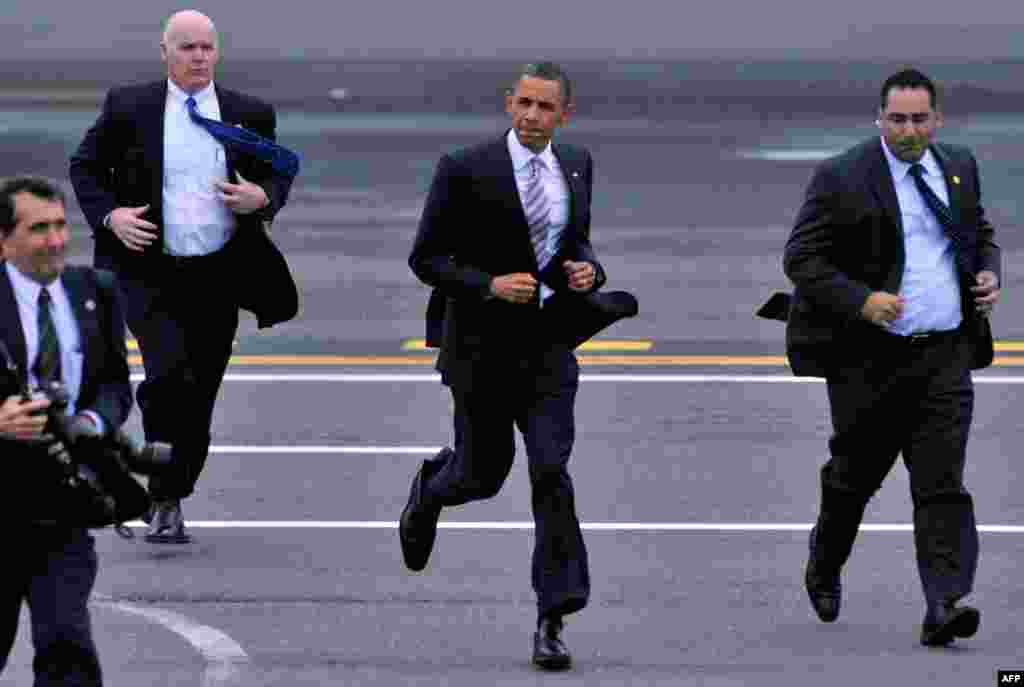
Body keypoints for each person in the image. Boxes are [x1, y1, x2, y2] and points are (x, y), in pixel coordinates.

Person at [401, 61, 637, 670]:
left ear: (564, 114)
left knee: (551, 473)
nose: (534, 116)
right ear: (510, 104)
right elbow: (426, 257)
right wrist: (487, 284)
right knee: (481, 476)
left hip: (548, 347)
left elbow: (573, 242)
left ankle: (553, 616)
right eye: (525, 104)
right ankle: (429, 490)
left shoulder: (577, 164)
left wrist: (590, 271)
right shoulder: (464, 168)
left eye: (546, 108)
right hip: (479, 350)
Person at [782, 68, 1000, 647]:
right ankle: (825, 562)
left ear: (937, 119)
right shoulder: (842, 176)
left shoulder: (958, 165)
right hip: (869, 361)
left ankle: (944, 603)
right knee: (854, 478)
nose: (909, 130)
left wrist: (987, 272)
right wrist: (861, 300)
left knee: (942, 483)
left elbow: (979, 232)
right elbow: (802, 260)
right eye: (898, 119)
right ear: (879, 119)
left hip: (944, 355)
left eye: (920, 118)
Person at [69, 10, 299, 544]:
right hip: (149, 270)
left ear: (217, 53)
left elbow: (278, 169)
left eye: (206, 48)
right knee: (170, 376)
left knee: (199, 393)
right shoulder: (129, 107)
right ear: (165, 52)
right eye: (187, 48)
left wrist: (263, 198)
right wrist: (111, 216)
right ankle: (164, 497)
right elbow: (84, 166)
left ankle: (173, 483)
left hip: (219, 272)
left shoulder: (247, 113)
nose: (198, 57)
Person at [0, 176, 133, 686]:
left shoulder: (93, 290)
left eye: (59, 225)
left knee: (67, 642)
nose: (56, 240)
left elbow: (115, 386)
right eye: (39, 229)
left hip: (63, 502)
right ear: (4, 240)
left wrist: (92, 423)